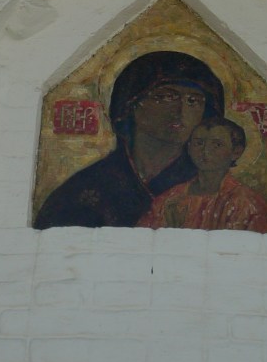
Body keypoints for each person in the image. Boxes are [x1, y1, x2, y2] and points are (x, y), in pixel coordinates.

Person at [34, 51, 225, 229]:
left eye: (193, 101)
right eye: (166, 96)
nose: (181, 110)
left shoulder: (214, 186)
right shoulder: (84, 190)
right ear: (131, 104)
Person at [138, 117, 267, 233]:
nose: (205, 150)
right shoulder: (169, 198)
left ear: (236, 152)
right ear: (189, 148)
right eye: (199, 143)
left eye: (217, 144)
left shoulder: (248, 204)